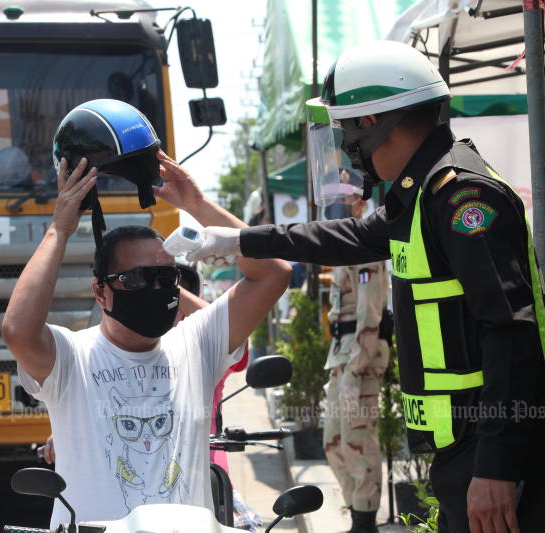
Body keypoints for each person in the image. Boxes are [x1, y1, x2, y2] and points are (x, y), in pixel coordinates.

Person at [184, 40, 545, 533]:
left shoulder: (462, 196)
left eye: (346, 130)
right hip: (461, 448)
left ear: (373, 125)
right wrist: (237, 237)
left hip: (491, 454)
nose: (347, 149)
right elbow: (341, 237)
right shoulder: (420, 196)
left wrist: (496, 468)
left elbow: (510, 331)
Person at [3, 108, 290, 526]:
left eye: (166, 277)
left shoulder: (196, 345)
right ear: (101, 292)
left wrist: (196, 203)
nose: (157, 290)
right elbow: (18, 330)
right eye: (138, 280)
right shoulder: (70, 358)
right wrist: (59, 229)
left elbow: (273, 272)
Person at [321, 189, 389, 533]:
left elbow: (370, 311)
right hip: (342, 352)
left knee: (356, 440)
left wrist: (356, 367)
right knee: (333, 441)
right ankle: (357, 511)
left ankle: (365, 522)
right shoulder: (347, 246)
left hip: (360, 351)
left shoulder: (365, 248)